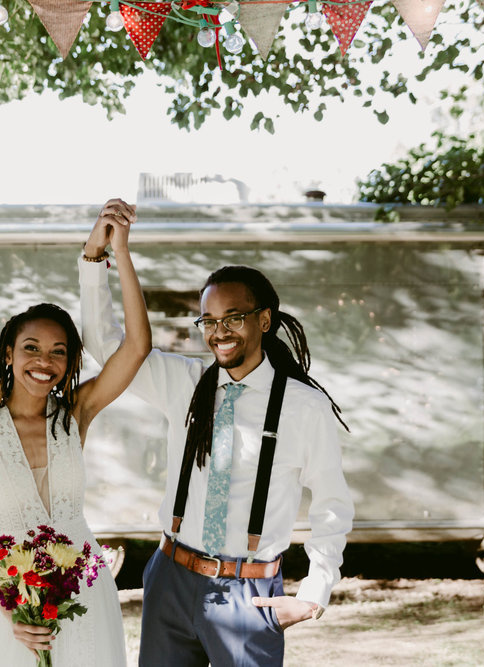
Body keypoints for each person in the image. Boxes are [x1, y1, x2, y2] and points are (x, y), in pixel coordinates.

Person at [79, 206, 354, 667]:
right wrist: (102, 257)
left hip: (248, 593)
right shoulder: (184, 383)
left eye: (233, 317)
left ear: (264, 320)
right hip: (170, 577)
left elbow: (332, 502)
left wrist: (314, 592)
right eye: (208, 320)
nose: (218, 331)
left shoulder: (304, 407)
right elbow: (107, 345)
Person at [0, 198, 149, 666]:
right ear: (8, 355)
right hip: (14, 603)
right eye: (32, 348)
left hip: (87, 590)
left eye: (59, 352)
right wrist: (9, 607)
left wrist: (116, 251)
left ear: (69, 363)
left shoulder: (75, 413)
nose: (45, 361)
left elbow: (138, 346)